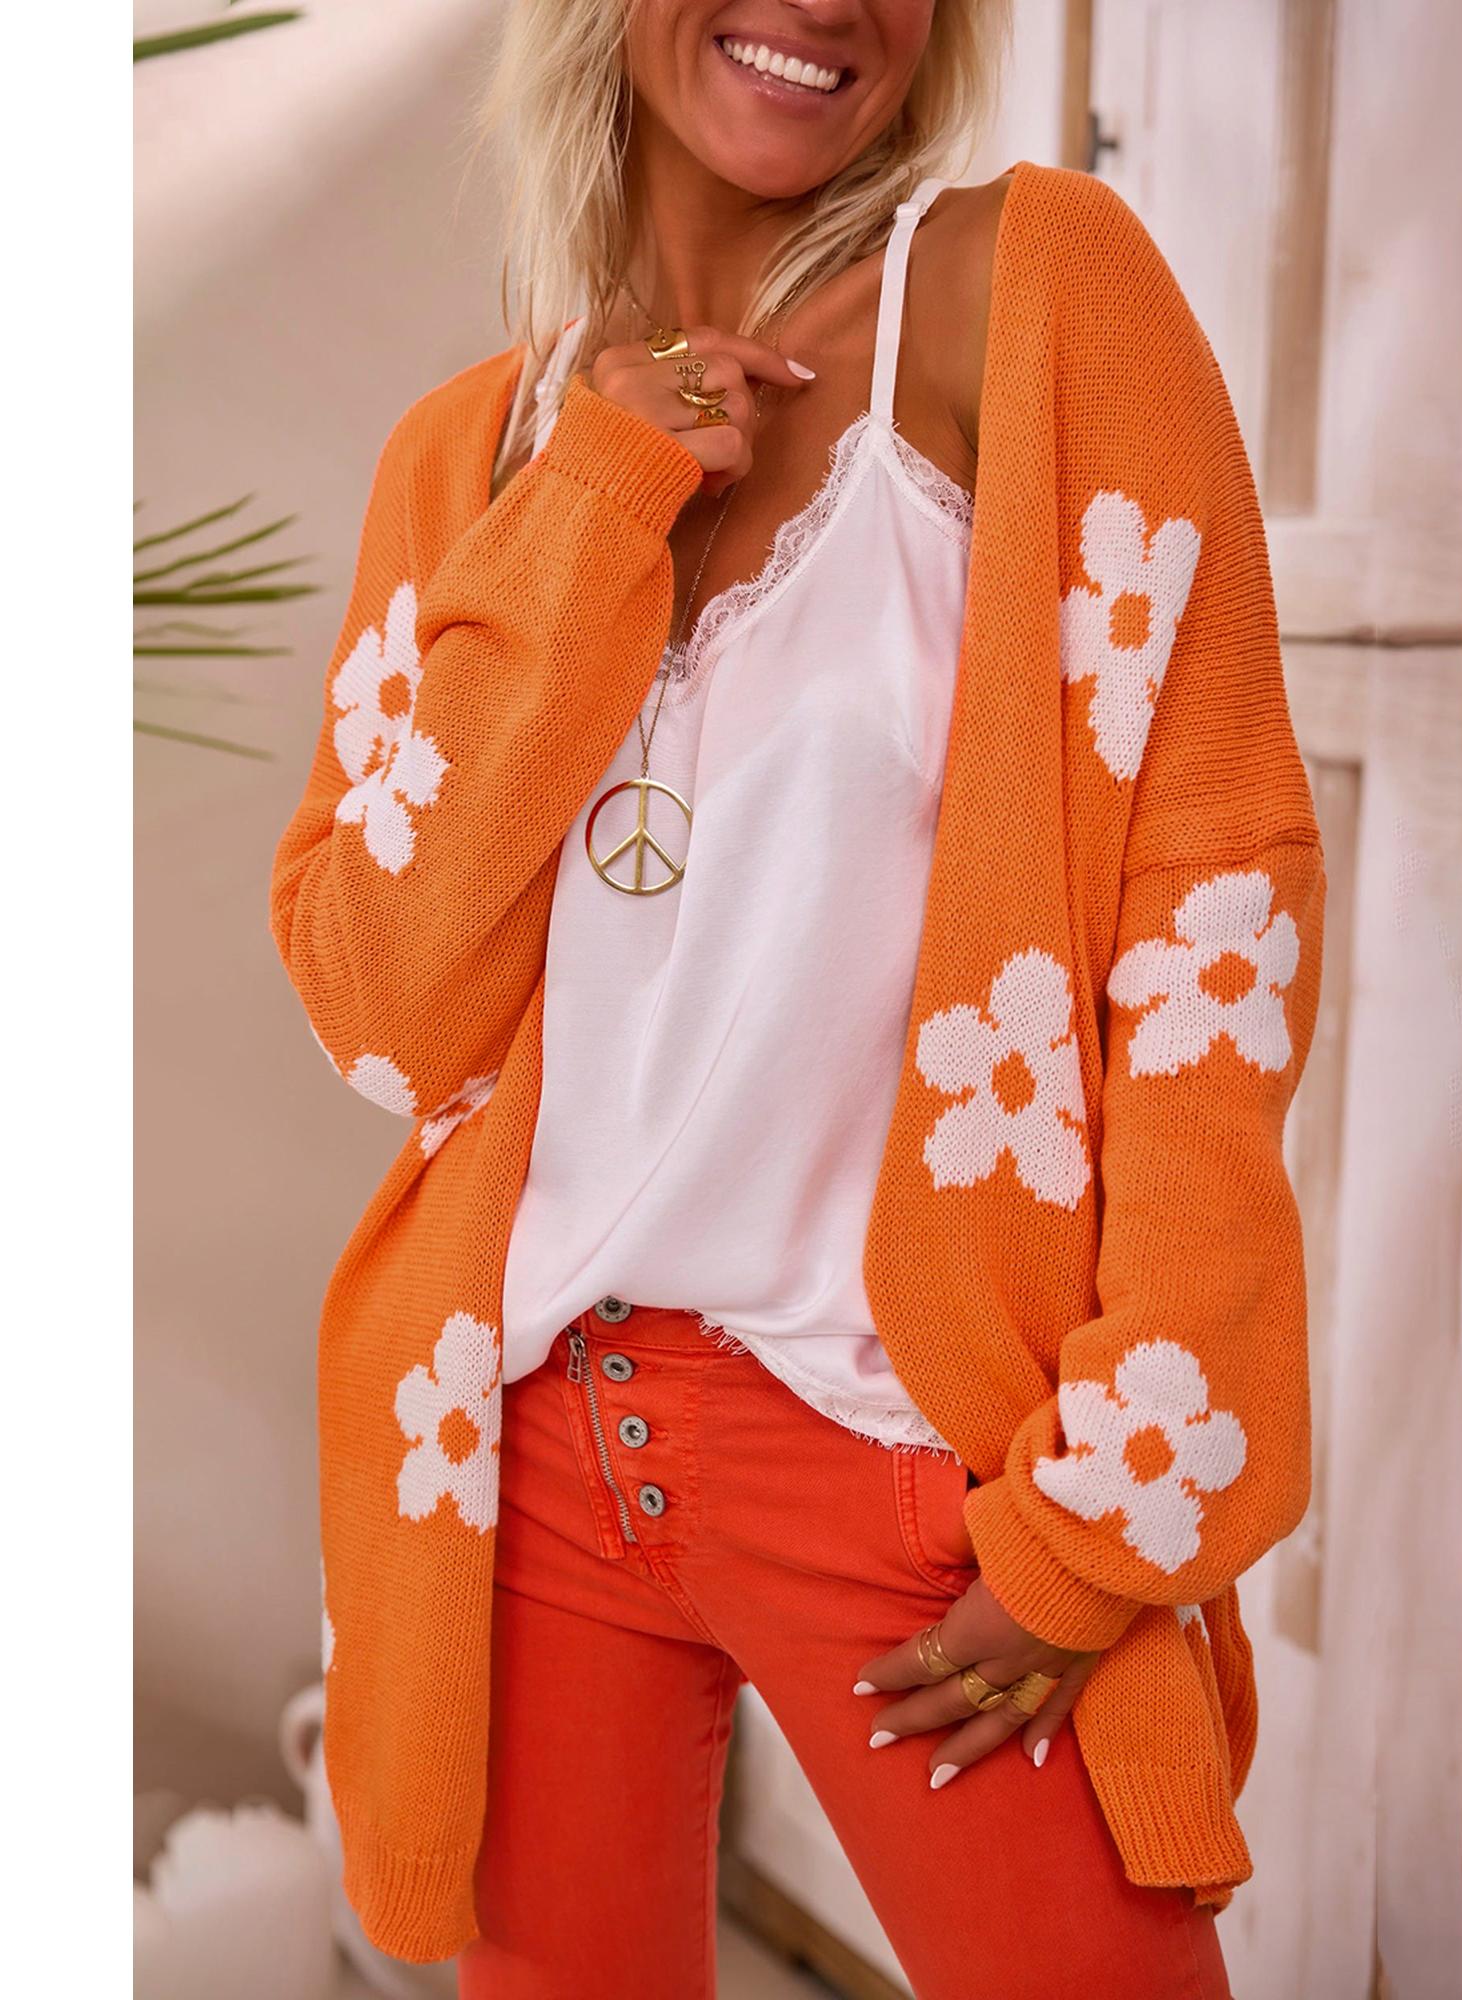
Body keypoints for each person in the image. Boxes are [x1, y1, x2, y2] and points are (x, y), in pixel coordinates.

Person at [268, 2, 1326, 1995]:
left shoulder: (1021, 292)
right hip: (529, 1453)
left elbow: (1214, 902)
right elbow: (380, 1006)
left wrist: (1102, 1504)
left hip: (912, 1454)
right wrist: (597, 491)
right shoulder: (470, 454)